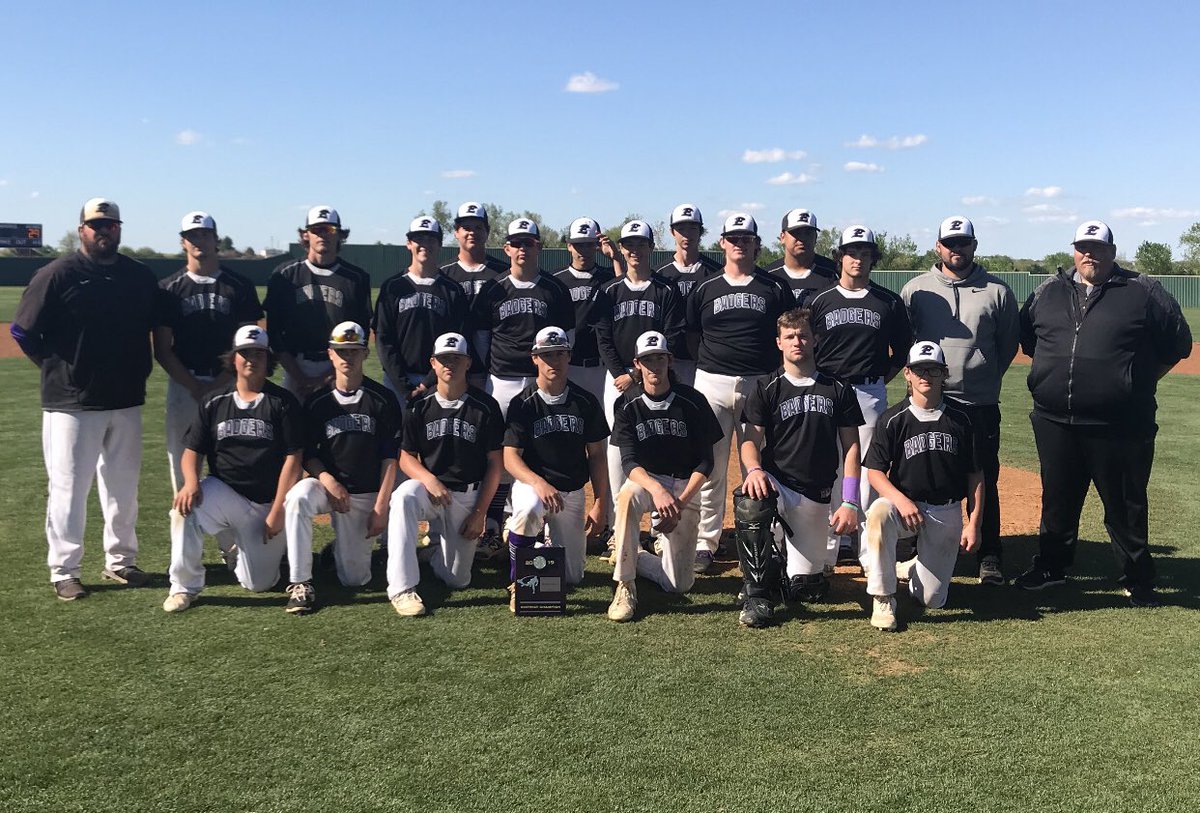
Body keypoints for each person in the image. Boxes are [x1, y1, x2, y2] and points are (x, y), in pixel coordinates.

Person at [1014, 221, 1192, 607]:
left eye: (1097, 247)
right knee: (1057, 498)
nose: (1089, 254)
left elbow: (1178, 342)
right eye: (1082, 247)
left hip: (1121, 425)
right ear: (1074, 250)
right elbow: (1029, 338)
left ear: (1112, 251)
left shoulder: (1142, 291)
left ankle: (1137, 577)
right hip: (1054, 419)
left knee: (1125, 504)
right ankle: (1052, 568)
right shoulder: (1048, 291)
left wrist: (1136, 382)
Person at [12, 198, 164, 600]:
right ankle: (64, 569)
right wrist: (53, 367)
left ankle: (121, 561)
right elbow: (23, 332)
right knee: (68, 488)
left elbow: (156, 326)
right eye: (96, 225)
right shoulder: (58, 274)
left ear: (119, 229)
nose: (104, 231)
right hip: (71, 404)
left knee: (124, 487)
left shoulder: (138, 276)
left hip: (126, 398)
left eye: (111, 224)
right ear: (82, 229)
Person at [901, 216, 1019, 585]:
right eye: (949, 243)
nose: (957, 249)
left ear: (974, 245)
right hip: (927, 403)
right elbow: (906, 340)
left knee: (984, 477)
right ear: (938, 246)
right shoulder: (916, 290)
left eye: (963, 242)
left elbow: (1007, 346)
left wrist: (983, 375)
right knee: (918, 472)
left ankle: (989, 554)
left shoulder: (997, 291)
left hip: (978, 402)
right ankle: (913, 549)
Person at [163, 325, 305, 612]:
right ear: (233, 359)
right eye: (244, 353)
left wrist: (278, 511)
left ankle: (245, 550)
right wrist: (191, 482)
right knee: (183, 509)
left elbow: (294, 460)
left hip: (266, 502)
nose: (251, 359)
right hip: (224, 492)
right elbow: (192, 451)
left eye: (259, 354)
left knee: (259, 585)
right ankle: (183, 586)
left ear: (268, 361)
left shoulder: (283, 402)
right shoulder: (215, 401)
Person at [737, 308, 865, 627]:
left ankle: (780, 570)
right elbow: (750, 441)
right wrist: (754, 470)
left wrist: (849, 500)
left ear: (815, 340)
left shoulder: (837, 388)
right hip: (777, 482)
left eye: (803, 335)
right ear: (778, 343)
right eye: (790, 336)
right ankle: (756, 595)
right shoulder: (767, 386)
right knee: (751, 503)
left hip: (816, 493)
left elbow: (852, 447)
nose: (797, 341)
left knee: (807, 587)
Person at [685, 213, 795, 573]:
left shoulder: (773, 288)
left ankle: (770, 537)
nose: (739, 243)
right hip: (712, 382)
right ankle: (705, 542)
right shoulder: (705, 287)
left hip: (758, 383)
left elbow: (788, 335)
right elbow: (691, 335)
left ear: (756, 244)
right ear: (721, 242)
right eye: (733, 237)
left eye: (746, 238)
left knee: (762, 465)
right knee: (711, 466)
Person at [860, 341, 983, 632]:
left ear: (944, 374)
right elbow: (875, 472)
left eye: (933, 369)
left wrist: (974, 523)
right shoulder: (892, 419)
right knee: (878, 512)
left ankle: (914, 568)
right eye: (919, 369)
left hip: (946, 508)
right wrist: (900, 500)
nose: (925, 375)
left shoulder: (962, 419)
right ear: (908, 374)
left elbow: (975, 476)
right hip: (905, 507)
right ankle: (883, 596)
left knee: (932, 600)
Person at [808, 225, 912, 566]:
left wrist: (880, 380)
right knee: (829, 464)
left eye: (865, 254)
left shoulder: (888, 301)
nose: (858, 259)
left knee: (868, 469)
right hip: (828, 389)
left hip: (868, 389)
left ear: (872, 259)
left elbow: (902, 352)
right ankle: (829, 543)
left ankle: (867, 550)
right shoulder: (819, 300)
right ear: (840, 257)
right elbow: (806, 347)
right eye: (852, 253)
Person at [282, 322, 402, 613]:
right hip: (327, 486)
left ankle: (333, 554)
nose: (347, 358)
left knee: (355, 580)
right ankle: (301, 583)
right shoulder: (317, 402)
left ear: (365, 354)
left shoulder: (382, 399)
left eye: (354, 351)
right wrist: (327, 479)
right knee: (297, 497)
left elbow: (390, 458)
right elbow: (308, 453)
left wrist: (381, 506)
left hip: (364, 494)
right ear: (330, 355)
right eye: (341, 352)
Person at [471, 218, 575, 546]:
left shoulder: (554, 289)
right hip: (502, 379)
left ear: (538, 247)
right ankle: (495, 521)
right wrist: (496, 368)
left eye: (528, 243)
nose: (521, 249)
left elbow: (566, 337)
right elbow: (482, 338)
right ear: (506, 248)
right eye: (515, 243)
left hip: (538, 380)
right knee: (501, 454)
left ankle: (538, 524)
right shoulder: (493, 288)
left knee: (541, 450)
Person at [606, 331, 723, 622]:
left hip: (684, 485)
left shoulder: (693, 401)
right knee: (627, 495)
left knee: (678, 584)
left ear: (670, 360)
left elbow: (706, 462)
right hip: (648, 480)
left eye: (659, 358)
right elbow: (629, 462)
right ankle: (624, 583)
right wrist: (657, 490)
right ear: (637, 364)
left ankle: (637, 557)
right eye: (647, 360)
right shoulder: (627, 403)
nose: (654, 366)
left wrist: (679, 504)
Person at [386, 333, 504, 616]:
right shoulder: (418, 405)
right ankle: (402, 589)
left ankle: (435, 554)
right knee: (403, 496)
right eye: (443, 359)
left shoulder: (486, 407)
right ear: (433, 364)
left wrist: (480, 514)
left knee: (458, 579)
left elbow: (495, 465)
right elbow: (405, 456)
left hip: (467, 495)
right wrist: (428, 479)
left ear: (467, 363)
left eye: (456, 358)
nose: (449, 364)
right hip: (429, 490)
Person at [594, 220, 685, 554]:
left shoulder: (665, 290)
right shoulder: (609, 291)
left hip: (654, 380)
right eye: (628, 245)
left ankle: (659, 530)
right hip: (617, 381)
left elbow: (672, 336)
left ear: (650, 248)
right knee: (618, 451)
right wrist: (621, 373)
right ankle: (621, 528)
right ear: (622, 250)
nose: (634, 250)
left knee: (660, 446)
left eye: (640, 244)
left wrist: (637, 375)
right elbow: (603, 336)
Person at [156, 211, 264, 493]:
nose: (199, 240)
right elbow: (163, 349)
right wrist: (194, 386)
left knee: (230, 462)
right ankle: (184, 534)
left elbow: (248, 347)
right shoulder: (168, 289)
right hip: (184, 385)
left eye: (205, 234)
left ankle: (231, 537)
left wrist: (218, 384)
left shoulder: (238, 286)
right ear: (183, 242)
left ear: (216, 239)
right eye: (192, 235)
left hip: (229, 384)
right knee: (181, 465)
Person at [503, 326, 610, 609]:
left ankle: (535, 543)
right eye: (547, 355)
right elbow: (510, 457)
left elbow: (597, 455)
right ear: (535, 358)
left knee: (573, 576)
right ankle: (518, 581)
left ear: (569, 356)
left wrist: (600, 502)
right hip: (534, 487)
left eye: (560, 354)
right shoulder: (523, 403)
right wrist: (538, 483)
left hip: (571, 492)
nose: (554, 361)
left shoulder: (585, 401)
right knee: (526, 512)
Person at [263, 205, 372, 399]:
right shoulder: (284, 275)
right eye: (316, 230)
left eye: (329, 229)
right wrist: (299, 376)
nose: (323, 235)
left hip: (340, 366)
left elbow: (360, 333)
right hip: (295, 366)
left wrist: (326, 377)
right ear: (306, 235)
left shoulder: (356, 278)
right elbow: (274, 332)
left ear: (340, 235)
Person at [374, 216, 468, 409]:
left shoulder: (452, 290)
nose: (425, 244)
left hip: (440, 379)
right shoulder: (392, 287)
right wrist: (403, 386)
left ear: (440, 244)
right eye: (419, 239)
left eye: (431, 239)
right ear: (409, 244)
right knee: (397, 436)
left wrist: (427, 382)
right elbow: (383, 339)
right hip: (397, 381)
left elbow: (458, 339)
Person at [440, 201, 509, 386]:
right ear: (456, 232)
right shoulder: (443, 274)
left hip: (495, 368)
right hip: (451, 363)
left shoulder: (503, 272)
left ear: (487, 232)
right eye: (466, 227)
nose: (472, 232)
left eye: (478, 227)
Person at [654, 203, 721, 386]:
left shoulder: (715, 273)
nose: (687, 234)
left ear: (701, 231)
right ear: (672, 232)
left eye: (693, 228)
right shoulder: (660, 274)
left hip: (707, 360)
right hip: (668, 359)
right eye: (681, 228)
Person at [551, 217, 614, 399]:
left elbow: (626, 289)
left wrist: (615, 257)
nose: (583, 251)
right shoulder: (556, 280)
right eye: (578, 245)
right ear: (569, 246)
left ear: (597, 245)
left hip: (602, 366)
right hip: (568, 365)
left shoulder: (608, 277)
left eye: (589, 245)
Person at [766, 208, 837, 308]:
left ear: (816, 237)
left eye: (808, 233)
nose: (802, 238)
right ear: (782, 237)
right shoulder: (768, 276)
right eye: (796, 233)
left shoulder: (833, 273)